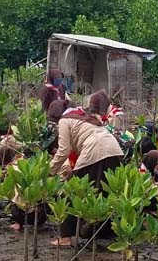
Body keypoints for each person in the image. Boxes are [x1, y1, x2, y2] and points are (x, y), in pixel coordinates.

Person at [49, 91, 124, 246]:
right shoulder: (83, 116)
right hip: (114, 149)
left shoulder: (64, 120)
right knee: (105, 191)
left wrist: (49, 171)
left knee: (72, 190)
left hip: (94, 150)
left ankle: (65, 237)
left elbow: (64, 150)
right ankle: (107, 233)